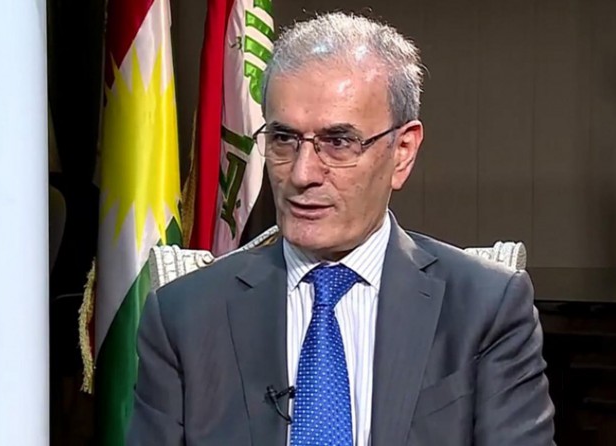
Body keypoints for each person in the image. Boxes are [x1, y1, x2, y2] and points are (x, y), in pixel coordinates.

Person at [126, 12, 556, 446]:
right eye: (283, 138)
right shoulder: (184, 315)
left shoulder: (484, 308)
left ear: (402, 152)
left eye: (338, 142)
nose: (302, 174)